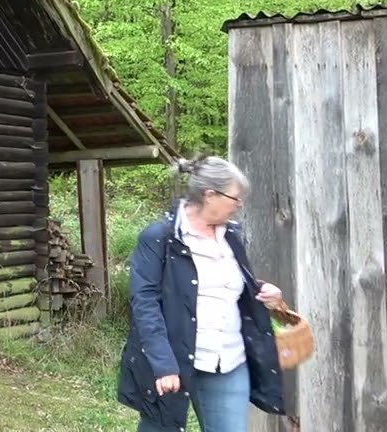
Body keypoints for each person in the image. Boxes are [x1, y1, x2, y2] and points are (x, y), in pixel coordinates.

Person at [116, 155, 288, 432]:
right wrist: (163, 364)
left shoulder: (231, 235)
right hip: (174, 360)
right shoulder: (160, 237)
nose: (239, 205)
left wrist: (266, 292)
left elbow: (225, 286)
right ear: (210, 195)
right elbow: (144, 302)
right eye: (235, 198)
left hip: (229, 361)